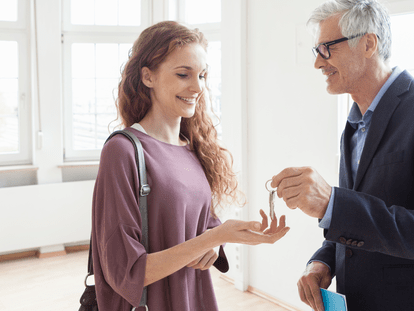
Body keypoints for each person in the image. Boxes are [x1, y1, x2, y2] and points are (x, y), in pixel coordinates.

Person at [271, 0, 414, 311]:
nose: (318, 62)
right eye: (317, 50)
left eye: (327, 48)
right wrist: (323, 263)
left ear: (369, 44)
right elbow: (356, 220)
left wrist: (332, 203)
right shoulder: (354, 124)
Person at [92, 20, 289, 311]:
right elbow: (128, 272)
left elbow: (200, 232)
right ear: (148, 77)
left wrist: (222, 240)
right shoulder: (122, 151)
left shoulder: (192, 149)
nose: (198, 87)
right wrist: (216, 236)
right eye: (184, 74)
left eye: (203, 75)